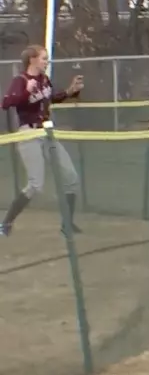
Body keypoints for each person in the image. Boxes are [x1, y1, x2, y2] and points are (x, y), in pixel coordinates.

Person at [0, 44, 85, 237]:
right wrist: (25, 92)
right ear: (32, 60)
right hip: (28, 134)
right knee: (35, 185)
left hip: (47, 133)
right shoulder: (20, 80)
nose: (47, 61)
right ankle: (5, 224)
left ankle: (67, 224)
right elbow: (6, 103)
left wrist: (70, 91)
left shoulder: (44, 79)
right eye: (43, 58)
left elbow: (50, 99)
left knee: (71, 178)